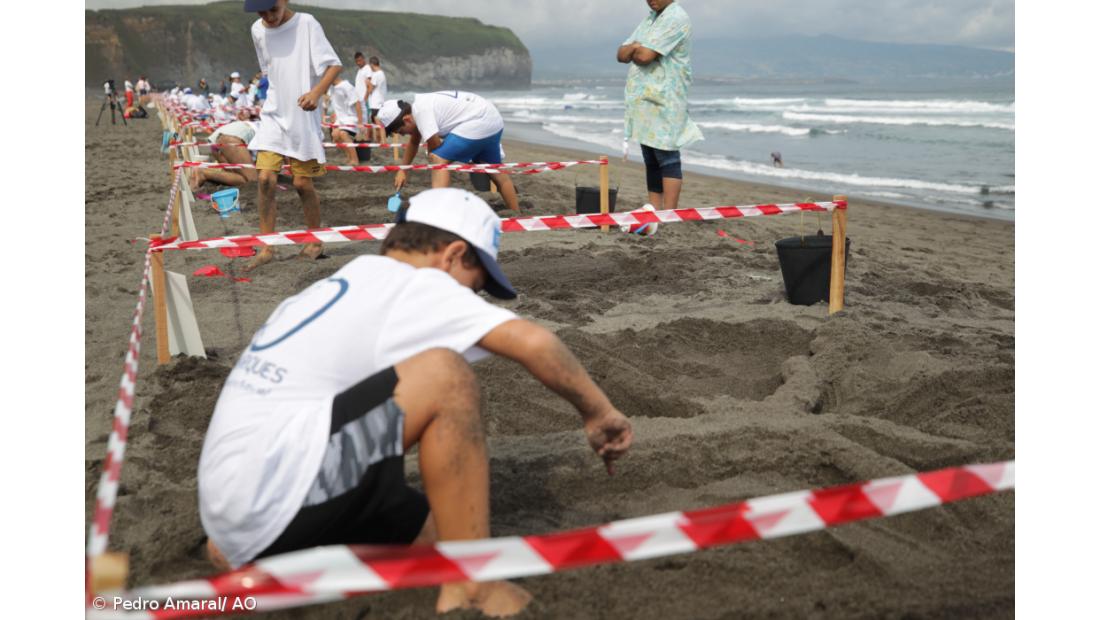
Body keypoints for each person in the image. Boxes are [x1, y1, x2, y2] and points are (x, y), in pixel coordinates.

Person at [199, 187, 633, 617]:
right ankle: (472, 588)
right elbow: (534, 342)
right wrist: (599, 413)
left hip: (236, 507)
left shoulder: (341, 285)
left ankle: (259, 552)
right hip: (273, 499)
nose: (473, 298)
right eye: (476, 284)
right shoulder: (417, 283)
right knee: (446, 377)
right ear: (452, 255)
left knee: (440, 530)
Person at [243, 0, 343, 271]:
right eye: (261, 12)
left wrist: (316, 93)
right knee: (264, 179)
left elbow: (334, 66)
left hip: (303, 116)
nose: (267, 17)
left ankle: (315, 241)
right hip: (274, 114)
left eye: (271, 10)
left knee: (301, 184)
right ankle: (266, 246)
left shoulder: (307, 23)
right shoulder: (257, 30)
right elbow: (270, 73)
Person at [617, 0, 702, 212]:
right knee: (651, 157)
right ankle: (654, 210)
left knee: (667, 156)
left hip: (667, 98)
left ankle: (669, 213)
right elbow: (621, 54)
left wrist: (636, 47)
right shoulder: (651, 19)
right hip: (645, 100)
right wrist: (636, 47)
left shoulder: (676, 17)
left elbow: (644, 57)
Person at [378, 92, 521, 212]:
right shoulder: (420, 107)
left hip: (478, 120)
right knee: (495, 171)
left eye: (400, 131)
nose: (402, 135)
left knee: (438, 159)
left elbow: (436, 150)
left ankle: (439, 212)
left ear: (407, 119)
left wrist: (438, 165)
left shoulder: (421, 112)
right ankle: (516, 214)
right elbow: (414, 142)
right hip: (492, 117)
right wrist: (403, 170)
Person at [189, 109, 260, 190]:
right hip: (234, 136)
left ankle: (204, 172)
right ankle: (204, 172)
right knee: (253, 180)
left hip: (220, 137)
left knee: (239, 177)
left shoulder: (266, 124)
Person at [327, 74, 366, 164]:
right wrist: (335, 115)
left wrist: (360, 123)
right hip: (341, 118)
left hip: (351, 117)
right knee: (335, 136)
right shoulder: (332, 88)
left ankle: (355, 160)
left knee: (343, 134)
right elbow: (338, 105)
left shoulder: (346, 86)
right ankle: (349, 157)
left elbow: (357, 103)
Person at [365, 56, 388, 143]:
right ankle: (379, 141)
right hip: (380, 101)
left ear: (372, 64)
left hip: (375, 102)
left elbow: (370, 89)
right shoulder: (382, 73)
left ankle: (383, 141)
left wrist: (367, 83)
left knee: (378, 123)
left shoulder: (376, 74)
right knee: (376, 123)